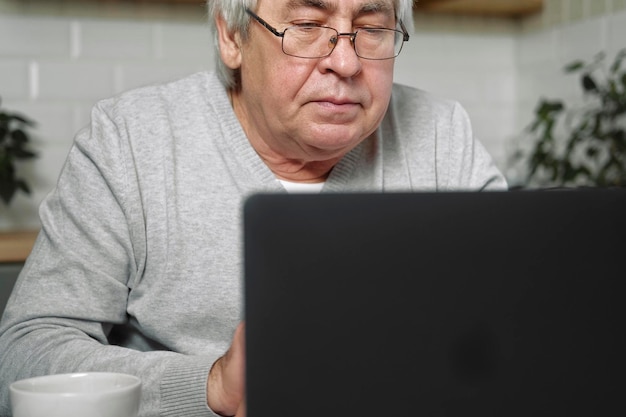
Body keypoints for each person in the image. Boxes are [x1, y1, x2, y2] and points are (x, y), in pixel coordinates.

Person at [0, 0, 507, 416]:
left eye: (372, 29)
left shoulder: (443, 136)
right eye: (308, 25)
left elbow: (519, 320)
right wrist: (211, 386)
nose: (347, 62)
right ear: (232, 37)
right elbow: (23, 356)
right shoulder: (130, 141)